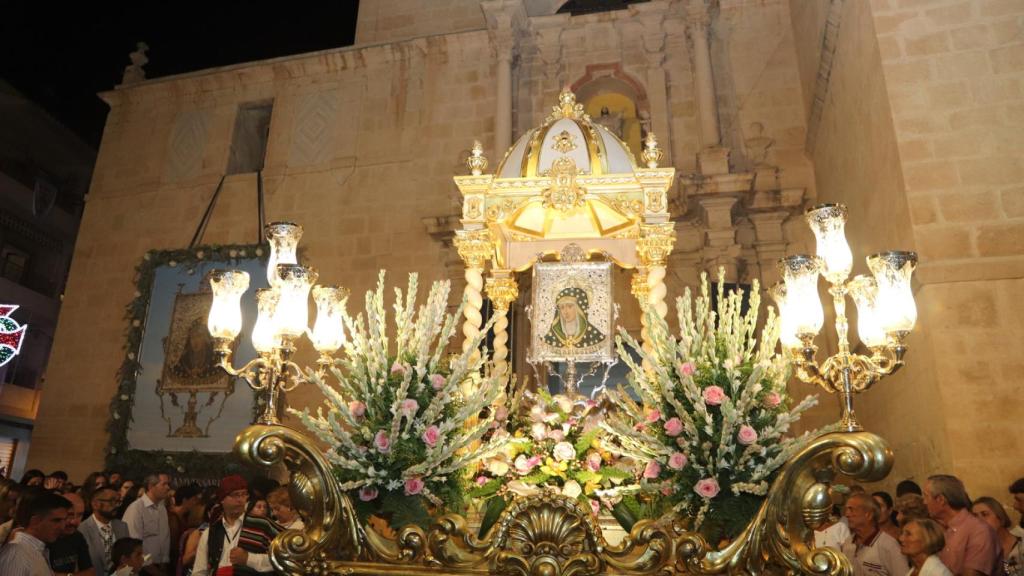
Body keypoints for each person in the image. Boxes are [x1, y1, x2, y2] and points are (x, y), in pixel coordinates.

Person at [191, 475, 276, 576]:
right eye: (235, 495)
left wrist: (248, 558)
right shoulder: (210, 532)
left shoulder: (263, 525)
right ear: (222, 499)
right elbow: (199, 571)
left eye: (244, 494)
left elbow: (281, 559)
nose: (240, 500)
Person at [924, 474, 1001, 576]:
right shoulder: (946, 529)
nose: (924, 502)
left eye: (926, 496)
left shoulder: (979, 531)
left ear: (940, 500)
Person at [0, 491, 71, 576]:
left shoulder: (35, 550)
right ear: (35, 521)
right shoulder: (16, 554)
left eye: (64, 520)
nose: (62, 527)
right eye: (56, 520)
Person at [840, 492, 909, 576]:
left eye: (851, 509)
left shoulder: (889, 546)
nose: (847, 514)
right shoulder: (848, 543)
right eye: (846, 510)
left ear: (868, 515)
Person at [123, 473, 172, 575]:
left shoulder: (161, 508)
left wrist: (163, 564)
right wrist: (154, 571)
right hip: (142, 569)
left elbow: (164, 537)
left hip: (159, 566)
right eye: (164, 484)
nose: (168, 488)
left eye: (168, 484)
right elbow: (133, 545)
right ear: (151, 486)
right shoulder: (136, 508)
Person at [80, 486, 130, 576]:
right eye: (112, 501)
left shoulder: (122, 526)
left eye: (118, 502)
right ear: (95, 504)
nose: (116, 505)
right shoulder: (82, 530)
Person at [972, 497, 1022, 576]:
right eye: (975, 516)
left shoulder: (1021, 546)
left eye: (985, 514)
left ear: (1000, 517)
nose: (979, 520)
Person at [48, 492, 94, 575]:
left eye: (80, 515)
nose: (74, 521)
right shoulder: (44, 537)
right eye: (69, 515)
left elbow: (90, 572)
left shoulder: (77, 536)